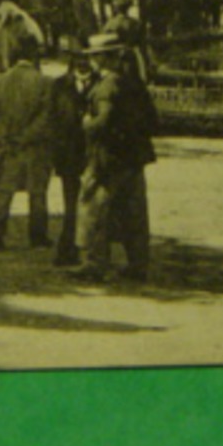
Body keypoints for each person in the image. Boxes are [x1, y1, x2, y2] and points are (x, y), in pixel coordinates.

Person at [75, 34, 159, 283]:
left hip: (107, 158)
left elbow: (103, 121)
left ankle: (94, 263)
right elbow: (152, 121)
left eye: (94, 56)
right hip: (133, 157)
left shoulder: (106, 86)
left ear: (103, 58)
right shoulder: (134, 83)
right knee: (134, 212)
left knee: (94, 208)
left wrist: (86, 125)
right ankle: (138, 263)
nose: (91, 61)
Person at [0, 33, 53, 250]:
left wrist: (3, 137)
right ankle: (37, 235)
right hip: (33, 146)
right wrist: (25, 137)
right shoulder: (44, 82)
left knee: (4, 191)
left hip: (7, 146)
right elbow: (45, 117)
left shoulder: (0, 81)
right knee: (37, 192)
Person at [48, 46, 94, 266]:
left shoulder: (100, 84)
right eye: (78, 58)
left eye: (87, 58)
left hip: (92, 154)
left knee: (93, 205)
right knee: (70, 204)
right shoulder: (59, 86)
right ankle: (67, 250)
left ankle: (90, 253)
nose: (83, 62)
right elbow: (52, 120)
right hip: (67, 155)